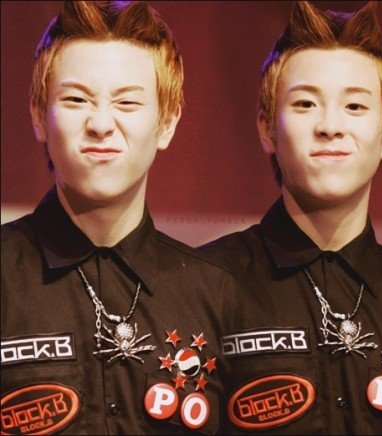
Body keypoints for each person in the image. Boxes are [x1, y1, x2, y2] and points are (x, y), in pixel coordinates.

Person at [1, 2, 244, 434]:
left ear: (167, 122)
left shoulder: (219, 295)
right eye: (76, 100)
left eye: (127, 102)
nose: (100, 124)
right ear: (38, 115)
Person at [199, 1, 382, 434]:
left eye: (355, 106)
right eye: (305, 104)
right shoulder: (203, 289)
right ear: (267, 129)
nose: (330, 126)